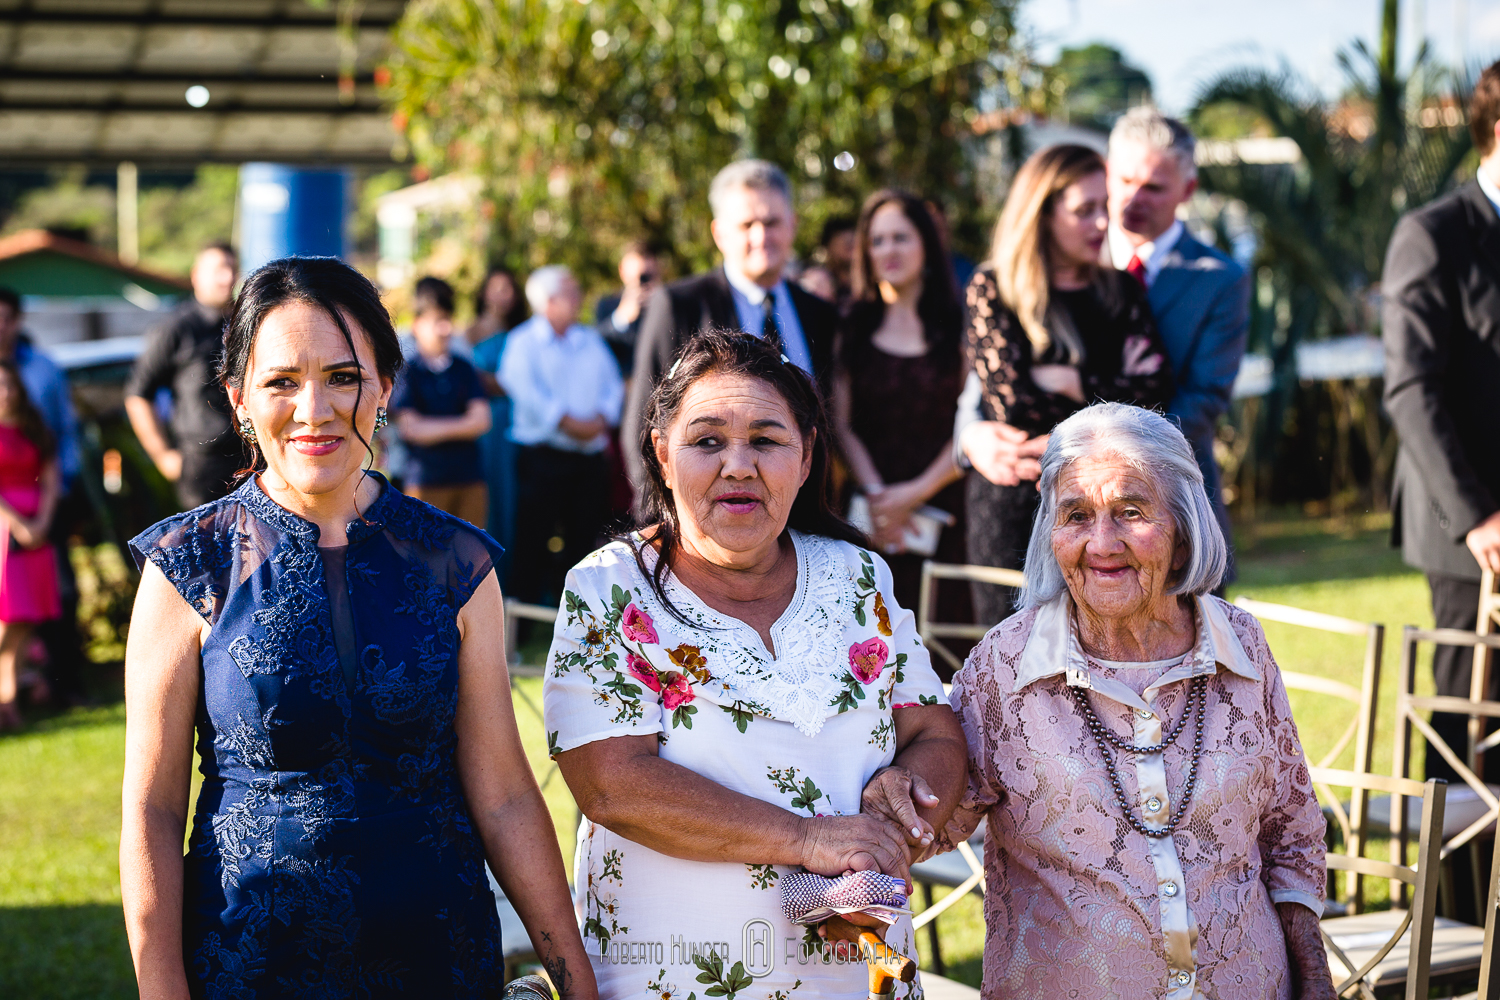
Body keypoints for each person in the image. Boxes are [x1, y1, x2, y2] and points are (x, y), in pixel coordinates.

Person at [119, 256, 596, 999]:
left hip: (440, 958)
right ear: (238, 398)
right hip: (250, 965)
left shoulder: (454, 562)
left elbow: (505, 795)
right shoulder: (189, 566)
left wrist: (578, 982)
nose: (314, 409)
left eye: (343, 377)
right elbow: (152, 811)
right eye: (281, 381)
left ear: (385, 389)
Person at [542, 329, 967, 1000]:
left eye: (766, 440)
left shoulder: (859, 576)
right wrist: (809, 840)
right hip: (670, 974)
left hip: (858, 976)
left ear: (805, 457)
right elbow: (612, 786)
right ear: (662, 454)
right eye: (707, 441)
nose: (738, 465)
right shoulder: (610, 588)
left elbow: (934, 732)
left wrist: (894, 828)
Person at [937, 401, 1333, 1000]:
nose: (1102, 543)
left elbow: (1292, 830)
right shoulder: (1006, 666)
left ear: (1183, 530)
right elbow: (932, 816)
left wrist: (1314, 974)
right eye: (1076, 515)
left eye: (1131, 512)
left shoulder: (1241, 643)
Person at [960, 144, 1174, 625]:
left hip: (1110, 507)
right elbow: (1015, 405)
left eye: (1105, 207)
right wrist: (1112, 391)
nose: (1102, 223)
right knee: (1015, 651)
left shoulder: (1120, 289)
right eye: (1084, 210)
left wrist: (1075, 381)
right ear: (1042, 215)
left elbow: (1155, 392)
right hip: (1018, 501)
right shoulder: (995, 288)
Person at [1383, 59, 1500, 792]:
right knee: (1468, 729)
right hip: (1471, 531)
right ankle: (1453, 870)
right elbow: (1410, 390)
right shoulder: (1433, 234)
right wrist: (1479, 517)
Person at [623, 160, 839, 494]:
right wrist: (658, 518)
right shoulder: (680, 306)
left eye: (772, 222)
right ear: (719, 233)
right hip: (714, 509)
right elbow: (643, 423)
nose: (761, 236)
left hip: (806, 509)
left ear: (793, 225)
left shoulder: (820, 314)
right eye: (747, 224)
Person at [1104, 108, 1250, 571]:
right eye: (1125, 181)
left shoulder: (1220, 279)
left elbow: (1204, 398)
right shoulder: (1064, 263)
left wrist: (1111, 458)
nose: (1135, 198)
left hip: (1176, 507)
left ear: (1187, 190)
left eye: (1153, 187)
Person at [832, 189, 972, 673]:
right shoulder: (848, 324)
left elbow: (970, 423)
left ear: (927, 245)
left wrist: (913, 494)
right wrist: (879, 497)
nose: (888, 250)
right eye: (877, 240)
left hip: (944, 513)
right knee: (868, 654)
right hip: (868, 518)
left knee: (943, 658)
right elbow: (840, 423)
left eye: (901, 238)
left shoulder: (959, 324)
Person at [500, 266, 623, 608]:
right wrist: (566, 421)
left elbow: (613, 386)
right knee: (532, 543)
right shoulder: (522, 342)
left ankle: (580, 621)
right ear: (548, 301)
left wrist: (601, 419)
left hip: (588, 461)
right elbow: (524, 390)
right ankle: (521, 626)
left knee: (584, 545)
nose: (578, 298)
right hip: (542, 458)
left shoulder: (590, 340)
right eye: (570, 292)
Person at [0, 287, 84, 706]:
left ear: (17, 321)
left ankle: (61, 686)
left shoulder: (44, 369)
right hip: (8, 516)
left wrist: (57, 493)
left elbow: (64, 431)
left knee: (56, 596)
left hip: (46, 503)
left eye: (5, 318)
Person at [125, 242, 243, 509]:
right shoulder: (176, 329)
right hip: (202, 465)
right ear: (196, 275)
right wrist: (163, 455)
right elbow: (137, 394)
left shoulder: (245, 324)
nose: (227, 278)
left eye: (232, 269)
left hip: (252, 459)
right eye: (219, 269)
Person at [391, 276, 491, 526]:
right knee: (422, 548)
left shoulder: (464, 367)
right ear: (417, 325)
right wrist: (463, 425)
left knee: (471, 549)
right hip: (424, 480)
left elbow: (482, 421)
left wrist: (432, 427)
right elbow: (410, 428)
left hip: (470, 478)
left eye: (447, 320)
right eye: (436, 321)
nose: (444, 329)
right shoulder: (408, 371)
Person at [0, 360, 61, 730]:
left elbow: (51, 477)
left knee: (24, 620)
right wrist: (19, 525)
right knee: (6, 619)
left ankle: (8, 703)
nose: (4, 392)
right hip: (6, 533)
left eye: (8, 384)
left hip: (37, 529)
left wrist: (41, 522)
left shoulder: (34, 427)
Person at [467, 265, 529, 562]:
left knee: (513, 493)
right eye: (497, 288)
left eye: (509, 288)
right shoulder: (468, 332)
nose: (504, 295)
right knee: (488, 491)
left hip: (517, 419)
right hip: (484, 422)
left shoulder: (523, 333)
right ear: (484, 292)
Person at [594, 241, 661, 380]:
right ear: (622, 271)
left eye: (647, 276)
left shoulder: (668, 303)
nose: (642, 283)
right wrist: (621, 318)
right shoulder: (607, 305)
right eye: (637, 277)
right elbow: (596, 343)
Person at [818, 214, 858, 302]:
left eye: (853, 245)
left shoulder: (871, 286)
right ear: (828, 247)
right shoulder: (818, 286)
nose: (852, 253)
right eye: (847, 246)